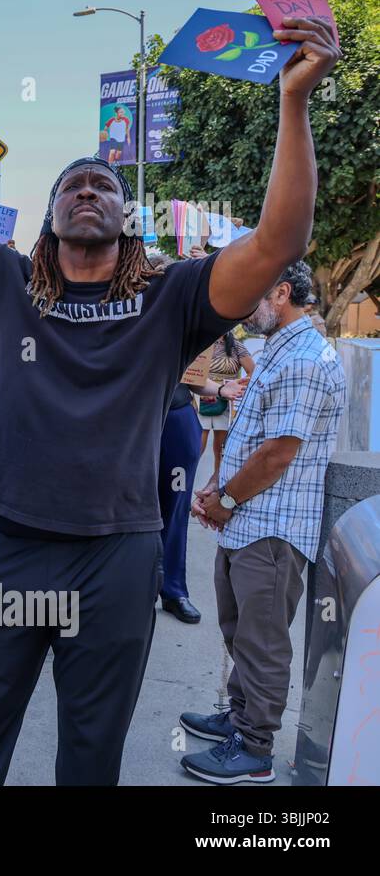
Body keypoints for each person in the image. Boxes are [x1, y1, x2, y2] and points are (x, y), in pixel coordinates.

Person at [0, 10, 338, 785]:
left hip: (116, 560)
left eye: (104, 185)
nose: (88, 191)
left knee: (91, 753)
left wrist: (293, 103)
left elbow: (278, 242)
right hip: (7, 552)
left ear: (126, 218)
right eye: (73, 185)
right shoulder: (2, 281)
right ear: (53, 212)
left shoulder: (175, 295)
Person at [182, 261, 345, 784]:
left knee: (262, 640)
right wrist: (216, 488)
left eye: (252, 295)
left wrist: (225, 498)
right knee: (239, 630)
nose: (242, 306)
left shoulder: (304, 358)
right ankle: (239, 716)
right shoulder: (280, 350)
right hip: (247, 521)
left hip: (272, 527)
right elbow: (252, 435)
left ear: (281, 292)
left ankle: (254, 750)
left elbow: (277, 455)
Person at [149, 254, 249, 625]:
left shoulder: (189, 325)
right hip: (134, 422)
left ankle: (173, 590)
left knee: (175, 509)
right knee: (129, 507)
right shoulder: (126, 320)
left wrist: (221, 387)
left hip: (176, 420)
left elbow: (193, 378)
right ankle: (134, 588)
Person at [197, 330, 255, 478]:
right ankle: (186, 485)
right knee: (196, 448)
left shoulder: (237, 347)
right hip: (200, 400)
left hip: (226, 404)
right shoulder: (200, 343)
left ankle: (217, 486)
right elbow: (190, 371)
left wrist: (235, 386)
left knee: (221, 449)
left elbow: (253, 372)